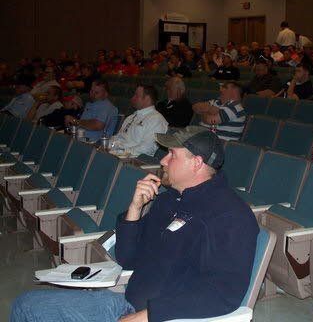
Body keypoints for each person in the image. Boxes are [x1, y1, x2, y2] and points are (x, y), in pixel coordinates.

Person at [10, 126, 259, 322]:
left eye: (172, 154)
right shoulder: (169, 201)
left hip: (165, 317)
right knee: (26, 305)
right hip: (126, 305)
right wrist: (134, 209)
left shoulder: (230, 215)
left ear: (196, 162)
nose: (162, 161)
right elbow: (127, 258)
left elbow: (223, 293)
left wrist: (147, 316)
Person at [110, 84, 168, 157]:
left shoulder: (157, 120)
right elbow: (118, 137)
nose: (132, 98)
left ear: (147, 99)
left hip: (132, 159)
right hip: (117, 154)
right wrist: (109, 145)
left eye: (136, 96)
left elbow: (147, 148)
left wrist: (121, 152)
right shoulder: (131, 117)